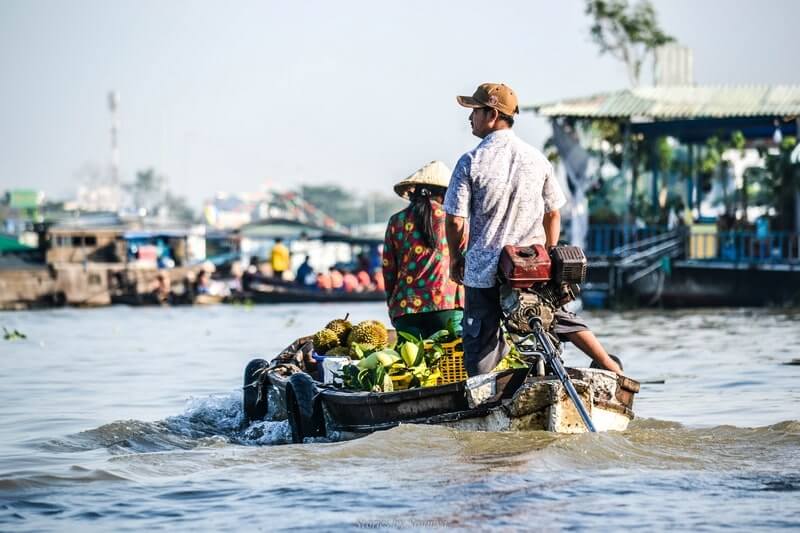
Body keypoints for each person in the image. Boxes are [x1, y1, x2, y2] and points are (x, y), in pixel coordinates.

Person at [444, 82, 623, 377]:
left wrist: (455, 258)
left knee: (480, 339)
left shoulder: (471, 161)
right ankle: (609, 365)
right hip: (530, 264)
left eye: (474, 111)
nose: (470, 118)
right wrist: (550, 253)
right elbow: (554, 213)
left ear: (491, 114)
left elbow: (454, 220)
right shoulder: (537, 159)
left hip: (483, 267)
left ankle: (483, 393)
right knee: (558, 317)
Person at [383, 161, 464, 339]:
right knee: (450, 363)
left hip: (406, 307)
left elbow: (389, 270)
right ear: (446, 193)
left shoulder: (396, 221)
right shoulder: (454, 220)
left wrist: (393, 305)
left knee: (411, 365)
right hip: (447, 303)